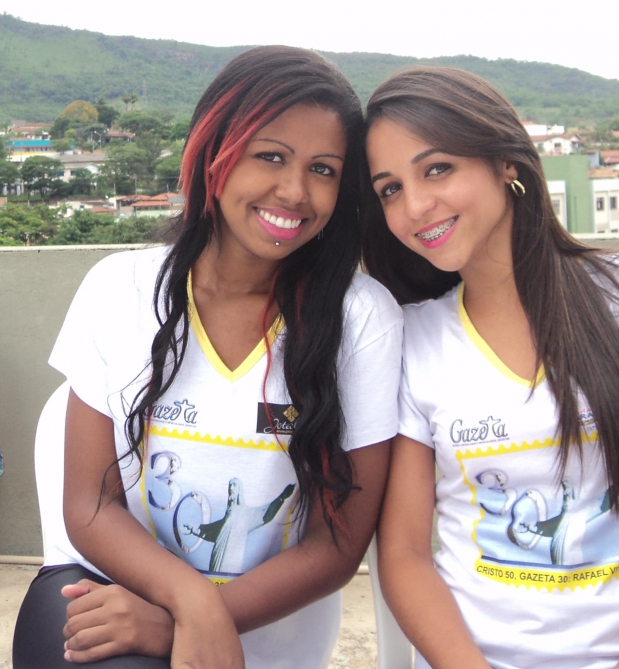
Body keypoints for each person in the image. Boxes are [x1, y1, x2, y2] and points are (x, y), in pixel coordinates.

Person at [13, 46, 402, 669]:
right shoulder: (121, 289)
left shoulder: (360, 320)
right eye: (270, 156)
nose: (295, 191)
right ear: (213, 153)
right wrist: (189, 603)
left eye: (323, 169)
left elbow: (338, 542)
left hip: (267, 642)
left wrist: (180, 625)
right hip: (114, 600)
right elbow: (89, 505)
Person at [362, 67, 619, 669]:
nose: (414, 205)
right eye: (389, 189)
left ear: (506, 162)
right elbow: (405, 553)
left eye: (437, 169)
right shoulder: (412, 337)